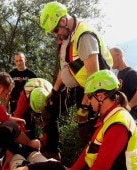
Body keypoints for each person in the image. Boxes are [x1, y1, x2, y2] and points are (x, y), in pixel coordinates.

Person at [40, 2, 113, 147]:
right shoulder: (66, 37)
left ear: (63, 21)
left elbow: (94, 76)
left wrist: (84, 106)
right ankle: (52, 152)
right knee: (48, 110)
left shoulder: (84, 36)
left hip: (94, 89)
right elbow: (64, 67)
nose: (56, 35)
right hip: (77, 85)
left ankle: (90, 165)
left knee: (86, 129)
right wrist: (54, 92)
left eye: (55, 30)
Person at [109, 47, 137, 121]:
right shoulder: (119, 74)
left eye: (111, 57)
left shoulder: (131, 73)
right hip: (122, 116)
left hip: (130, 118)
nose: (110, 60)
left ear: (120, 56)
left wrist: (128, 106)